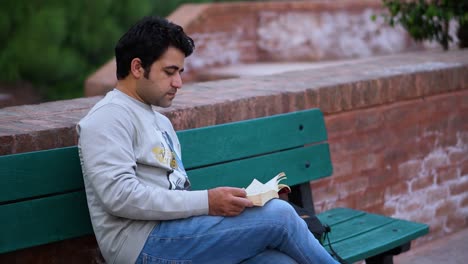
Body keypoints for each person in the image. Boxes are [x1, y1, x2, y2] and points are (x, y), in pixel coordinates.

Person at [77, 16, 339, 264]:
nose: (178, 82)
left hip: (179, 232)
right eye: (169, 72)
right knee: (280, 216)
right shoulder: (108, 118)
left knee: (279, 260)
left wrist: (239, 201)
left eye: (180, 71)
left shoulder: (159, 121)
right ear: (137, 67)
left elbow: (175, 193)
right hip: (141, 246)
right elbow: (120, 197)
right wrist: (208, 202)